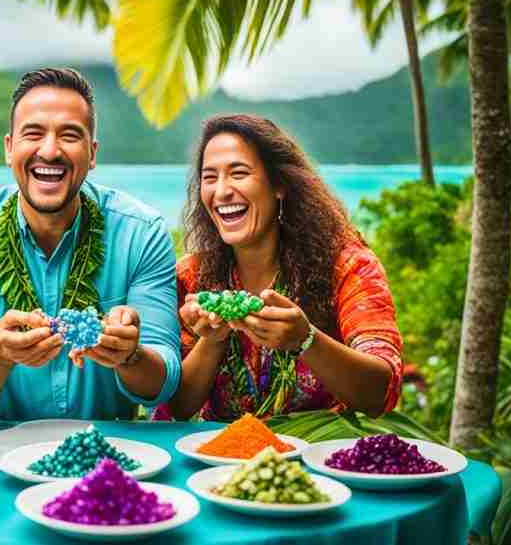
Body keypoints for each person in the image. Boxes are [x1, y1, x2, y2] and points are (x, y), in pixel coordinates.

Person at [0, 67, 181, 420]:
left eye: (69, 135)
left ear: (92, 153)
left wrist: (130, 354)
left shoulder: (142, 233)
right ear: (9, 148)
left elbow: (163, 384)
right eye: (33, 134)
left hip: (106, 454)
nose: (49, 151)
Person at [164, 114, 403, 421]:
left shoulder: (347, 266)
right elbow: (177, 407)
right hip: (219, 462)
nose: (221, 191)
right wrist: (212, 340)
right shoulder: (191, 277)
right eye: (210, 178)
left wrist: (306, 340)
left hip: (319, 460)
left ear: (279, 184)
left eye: (238, 173)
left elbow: (381, 392)